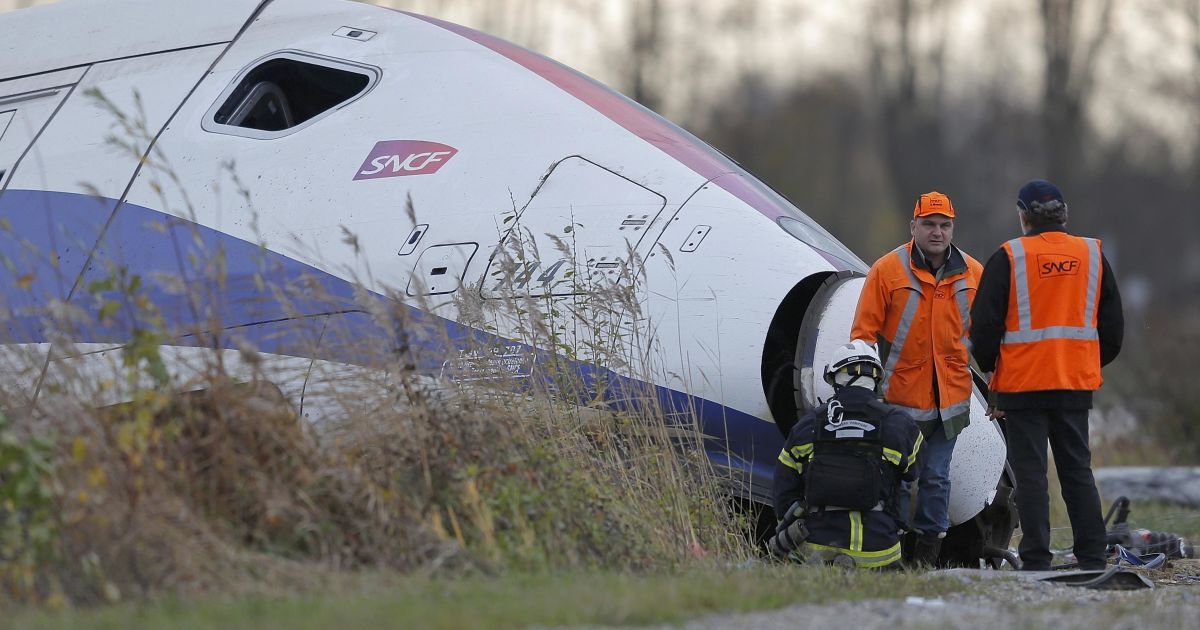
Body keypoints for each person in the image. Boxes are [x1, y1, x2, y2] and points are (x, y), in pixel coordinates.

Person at [969, 179, 1123, 571]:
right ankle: (1092, 555)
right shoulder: (1093, 255)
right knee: (1077, 471)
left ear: (1023, 216)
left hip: (1022, 388)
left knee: (1032, 476)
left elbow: (983, 329)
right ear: (1064, 215)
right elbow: (1114, 332)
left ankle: (1037, 560)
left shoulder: (1009, 257)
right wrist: (1080, 362)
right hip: (1074, 387)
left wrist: (994, 372)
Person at [850, 191, 983, 566]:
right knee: (896, 481)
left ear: (953, 228)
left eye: (944, 225)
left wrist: (1000, 387)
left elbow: (990, 339)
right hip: (898, 401)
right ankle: (888, 553)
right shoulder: (886, 270)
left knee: (936, 480)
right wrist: (863, 392)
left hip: (950, 402)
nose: (937, 232)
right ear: (914, 227)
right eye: (929, 225)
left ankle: (926, 556)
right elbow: (862, 334)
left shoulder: (974, 274)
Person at [770, 340, 925, 569]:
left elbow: (783, 492)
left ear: (835, 379)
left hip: (818, 551)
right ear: (875, 380)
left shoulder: (807, 426)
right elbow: (915, 473)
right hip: (879, 553)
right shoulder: (900, 425)